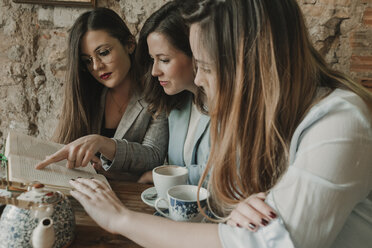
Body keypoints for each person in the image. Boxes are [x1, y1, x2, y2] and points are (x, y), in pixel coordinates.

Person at [59, 0, 372, 247]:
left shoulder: (340, 121)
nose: (198, 78)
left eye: (205, 67)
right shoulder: (268, 115)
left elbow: (268, 242)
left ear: (249, 62)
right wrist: (250, 202)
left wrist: (119, 219)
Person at [36, 8, 168, 175]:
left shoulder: (156, 92)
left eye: (104, 53)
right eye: (87, 60)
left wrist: (103, 143)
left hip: (130, 195)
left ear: (129, 45)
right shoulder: (87, 93)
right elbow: (63, 144)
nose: (96, 66)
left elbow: (153, 156)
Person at [135, 2, 210, 185]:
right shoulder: (177, 103)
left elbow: (227, 175)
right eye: (153, 60)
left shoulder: (231, 104)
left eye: (164, 60)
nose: (154, 71)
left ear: (195, 52)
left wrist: (167, 177)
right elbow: (153, 153)